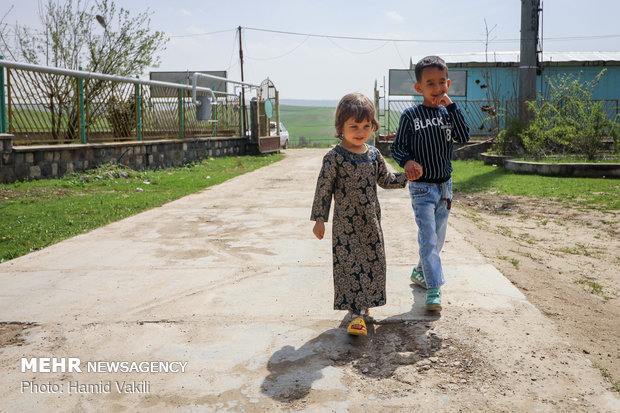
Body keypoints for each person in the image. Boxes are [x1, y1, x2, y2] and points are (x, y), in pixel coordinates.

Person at [311, 93, 409, 336]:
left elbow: (385, 180)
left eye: (366, 126)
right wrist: (320, 219)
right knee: (350, 265)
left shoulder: (374, 155)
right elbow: (324, 190)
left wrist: (408, 176)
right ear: (341, 127)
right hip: (345, 225)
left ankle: (363, 306)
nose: (360, 131)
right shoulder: (334, 158)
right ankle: (355, 314)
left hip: (371, 222)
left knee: (373, 262)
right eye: (353, 126)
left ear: (373, 127)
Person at [391, 55, 470, 311]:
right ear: (419, 88)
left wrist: (452, 106)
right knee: (428, 238)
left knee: (437, 239)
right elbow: (398, 147)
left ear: (448, 83)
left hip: (445, 188)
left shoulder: (449, 113)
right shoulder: (411, 115)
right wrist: (407, 163)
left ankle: (420, 271)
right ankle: (434, 289)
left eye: (441, 83)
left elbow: (464, 136)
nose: (437, 89)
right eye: (430, 84)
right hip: (422, 188)